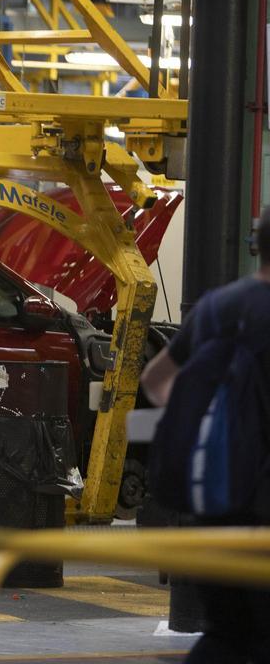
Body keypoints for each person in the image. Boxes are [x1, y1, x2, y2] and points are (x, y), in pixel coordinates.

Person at [141, 207, 270, 664]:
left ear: (257, 247)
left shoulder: (217, 307)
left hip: (214, 502)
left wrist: (211, 426)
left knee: (228, 636)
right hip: (263, 514)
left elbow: (156, 381)